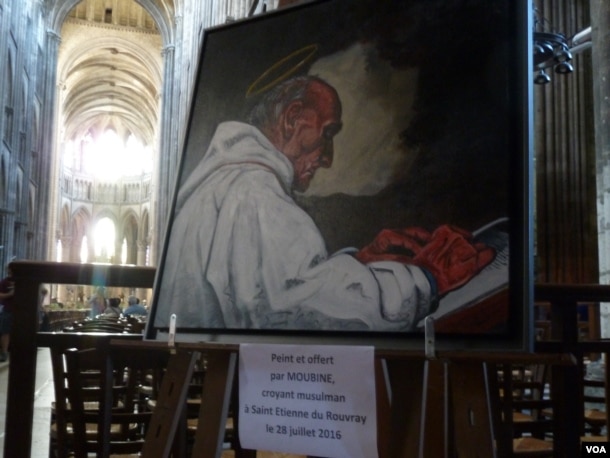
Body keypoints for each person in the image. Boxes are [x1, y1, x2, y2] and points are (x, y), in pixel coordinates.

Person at [154, 75, 494, 331]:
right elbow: (310, 311)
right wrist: (427, 277)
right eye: (327, 133)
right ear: (292, 118)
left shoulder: (222, 181)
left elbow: (280, 283)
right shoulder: (254, 192)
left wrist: (359, 263)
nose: (328, 158)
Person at [0, 268, 15, 362]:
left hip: (23, 311)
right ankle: (4, 352)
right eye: (9, 271)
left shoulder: (23, 281)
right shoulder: (4, 282)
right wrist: (10, 294)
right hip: (8, 309)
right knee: (5, 331)